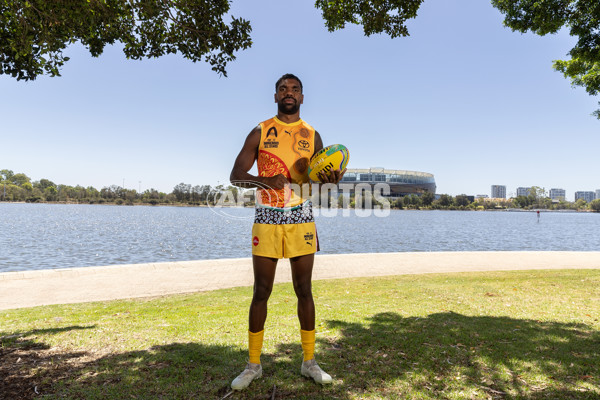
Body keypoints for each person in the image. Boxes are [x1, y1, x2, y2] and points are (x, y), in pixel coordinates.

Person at [229, 73, 344, 390]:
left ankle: (309, 363)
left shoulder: (312, 135)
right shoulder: (261, 130)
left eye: (295, 89)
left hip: (301, 218)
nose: (289, 93)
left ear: (302, 97)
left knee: (304, 290)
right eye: (283, 89)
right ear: (275, 95)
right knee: (261, 291)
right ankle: (253, 366)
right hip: (266, 217)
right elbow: (236, 176)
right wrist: (265, 182)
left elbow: (316, 183)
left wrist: (329, 181)